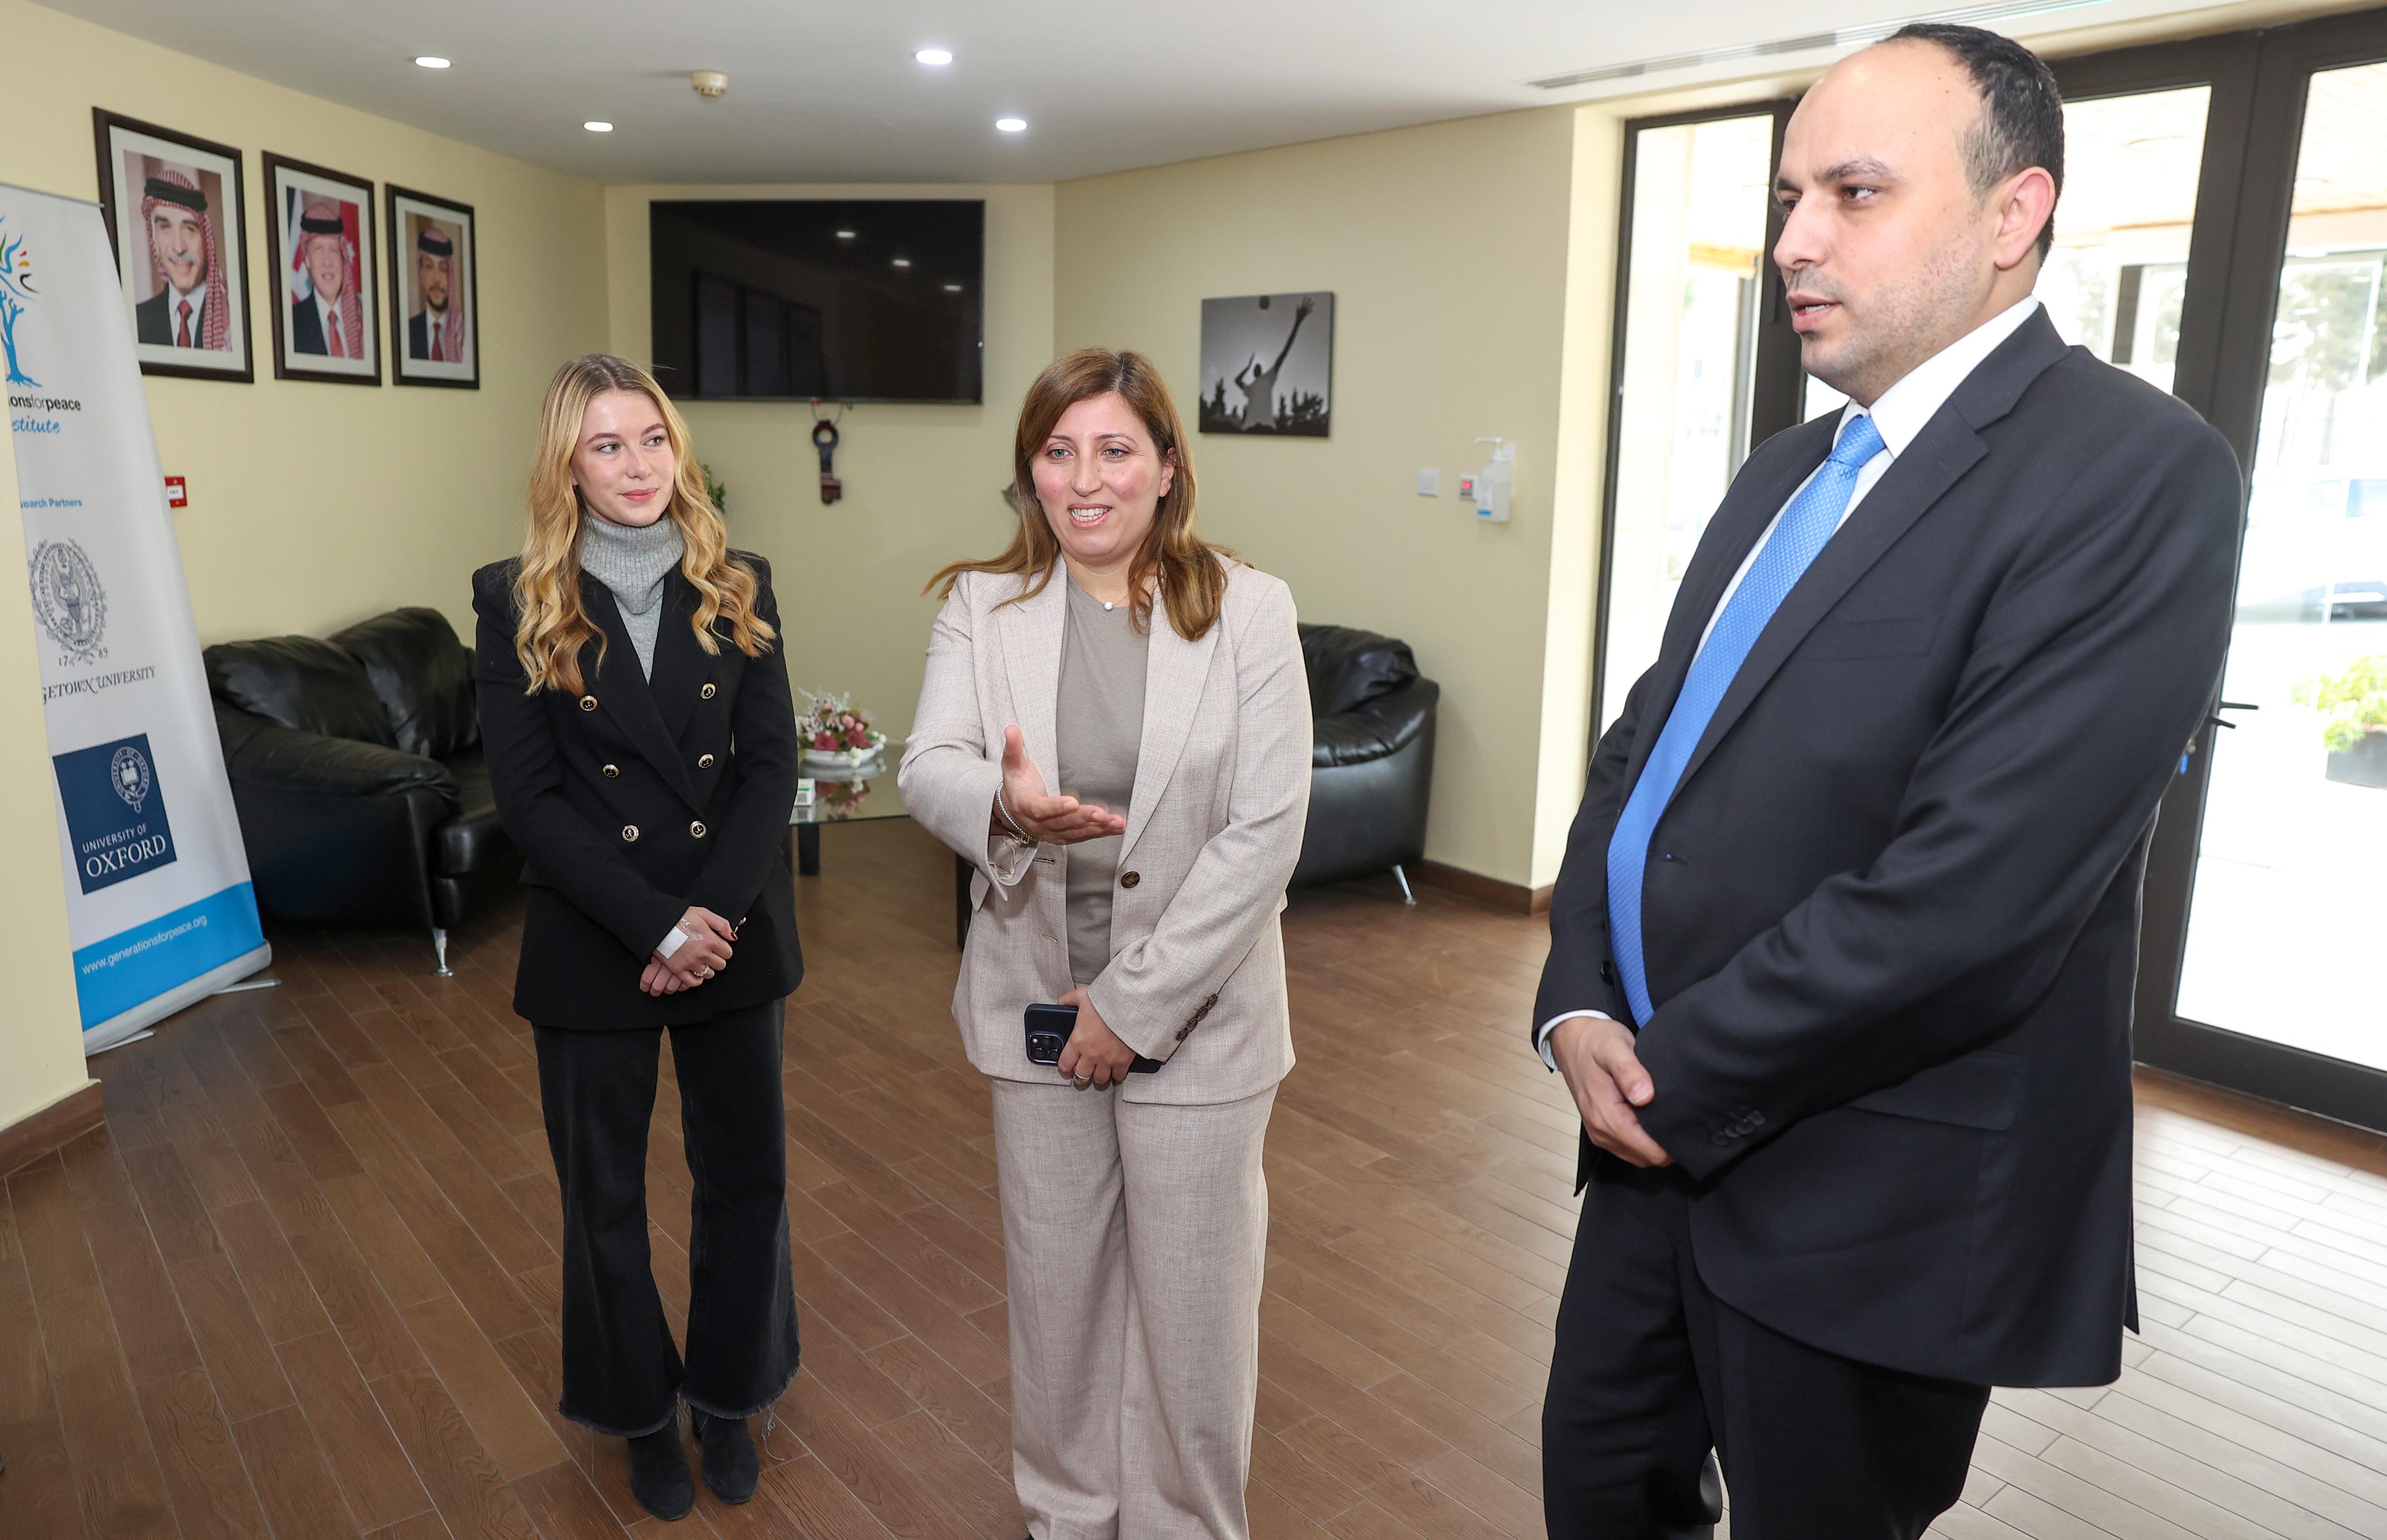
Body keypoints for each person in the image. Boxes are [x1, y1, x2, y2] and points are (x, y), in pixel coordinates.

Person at [1532, 25, 2240, 1539]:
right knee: (1598, 1493)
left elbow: (1971, 898)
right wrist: (1577, 1000)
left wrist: (1667, 1074)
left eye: (1853, 194)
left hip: (1866, 1193)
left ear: (2013, 214)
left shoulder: (2132, 472)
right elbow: (1643, 750)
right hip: (1647, 1148)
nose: (1794, 241)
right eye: (1789, 198)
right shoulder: (1785, 470)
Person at [899, 348, 1311, 1540]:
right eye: (1058, 451)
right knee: (1058, 1307)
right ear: (1030, 471)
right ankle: (1068, 1518)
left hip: (1202, 1026)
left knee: (1195, 1320)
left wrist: (1129, 1008)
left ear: (1167, 467)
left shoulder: (1250, 610)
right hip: (1034, 1016)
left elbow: (1264, 832)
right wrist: (1006, 806)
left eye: (1115, 449)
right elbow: (928, 765)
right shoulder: (981, 609)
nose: (1085, 479)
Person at [471, 353, 803, 1522]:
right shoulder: (516, 595)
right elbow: (530, 798)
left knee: (745, 1178)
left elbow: (769, 765)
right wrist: (654, 922)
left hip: (730, 921)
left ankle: (729, 1393)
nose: (637, 464)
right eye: (607, 444)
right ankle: (641, 1413)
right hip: (598, 929)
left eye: (653, 438)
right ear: (568, 463)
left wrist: (709, 916)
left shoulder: (740, 580)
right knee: (602, 1195)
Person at [132, 170, 229, 350]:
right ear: (154, 239)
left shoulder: (232, 317)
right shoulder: (137, 320)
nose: (178, 247)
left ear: (206, 240)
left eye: (189, 229)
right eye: (165, 227)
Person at [288, 199, 363, 359]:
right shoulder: (290, 323)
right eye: (319, 249)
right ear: (307, 259)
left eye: (334, 250)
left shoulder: (364, 315)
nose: (327, 262)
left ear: (343, 256)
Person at [1231, 294, 1312, 432]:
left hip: (1267, 427)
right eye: (1255, 368)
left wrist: (1297, 323)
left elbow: (1284, 353)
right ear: (1253, 372)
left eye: (1258, 367)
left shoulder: (1269, 378)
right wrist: (1248, 366)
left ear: (1262, 371)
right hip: (1250, 428)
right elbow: (1237, 381)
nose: (1256, 368)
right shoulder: (1250, 388)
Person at [409, 224, 462, 362]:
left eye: (443, 268)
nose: (437, 279)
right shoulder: (408, 332)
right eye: (429, 266)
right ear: (421, 273)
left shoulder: (462, 332)